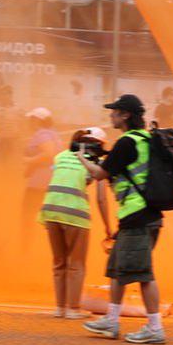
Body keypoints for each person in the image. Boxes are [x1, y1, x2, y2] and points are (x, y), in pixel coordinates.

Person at [77, 94, 168, 344]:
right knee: (117, 269)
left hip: (138, 216)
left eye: (115, 111)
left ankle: (155, 327)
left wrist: (81, 158)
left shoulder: (127, 142)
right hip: (139, 216)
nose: (111, 115)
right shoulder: (145, 139)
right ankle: (111, 320)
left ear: (126, 115)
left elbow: (99, 174)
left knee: (143, 273)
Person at [40, 127, 111, 317]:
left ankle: (60, 308)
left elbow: (57, 179)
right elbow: (102, 199)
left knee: (59, 262)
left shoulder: (61, 155)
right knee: (76, 264)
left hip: (50, 209)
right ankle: (73, 309)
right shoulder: (98, 162)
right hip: (75, 213)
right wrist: (108, 228)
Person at [21, 107, 59, 248]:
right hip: (50, 182)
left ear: (38, 120)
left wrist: (28, 161)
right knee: (48, 220)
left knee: (27, 217)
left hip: (38, 184)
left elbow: (49, 153)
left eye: (32, 119)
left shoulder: (42, 133)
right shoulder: (53, 134)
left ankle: (26, 250)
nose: (29, 122)